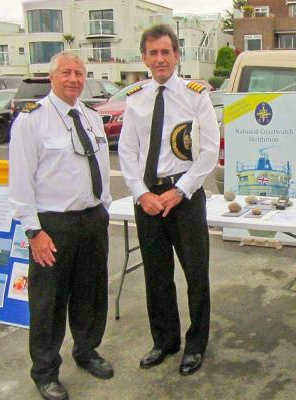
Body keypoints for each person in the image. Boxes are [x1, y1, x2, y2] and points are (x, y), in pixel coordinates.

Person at [9, 52, 113, 400]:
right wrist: (33, 231)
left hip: (92, 220)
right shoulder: (32, 120)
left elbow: (99, 167)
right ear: (51, 77)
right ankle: (44, 371)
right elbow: (21, 181)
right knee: (48, 302)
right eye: (66, 72)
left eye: (79, 73)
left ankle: (86, 351)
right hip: (52, 225)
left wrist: (105, 210)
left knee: (91, 293)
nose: (74, 79)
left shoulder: (91, 118)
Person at [118, 24, 219, 376]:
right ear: (144, 58)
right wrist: (141, 193)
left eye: (166, 52)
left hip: (185, 196)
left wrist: (180, 191)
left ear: (177, 55)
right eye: (153, 53)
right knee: (157, 275)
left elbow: (208, 150)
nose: (160, 59)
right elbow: (127, 151)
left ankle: (195, 345)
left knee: (196, 274)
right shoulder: (135, 98)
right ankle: (165, 341)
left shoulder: (195, 96)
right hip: (148, 198)